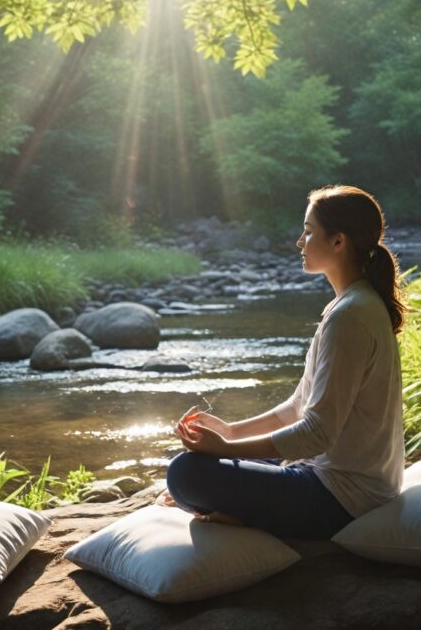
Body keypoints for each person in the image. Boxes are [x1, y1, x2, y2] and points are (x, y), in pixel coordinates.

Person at [161, 185, 407, 540]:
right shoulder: (352, 305)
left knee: (186, 474)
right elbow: (299, 406)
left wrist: (229, 450)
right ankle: (238, 506)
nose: (299, 241)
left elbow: (317, 433)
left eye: (308, 231)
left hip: (345, 497)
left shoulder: (350, 316)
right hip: (336, 478)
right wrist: (230, 432)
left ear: (338, 242)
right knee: (201, 466)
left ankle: (247, 516)